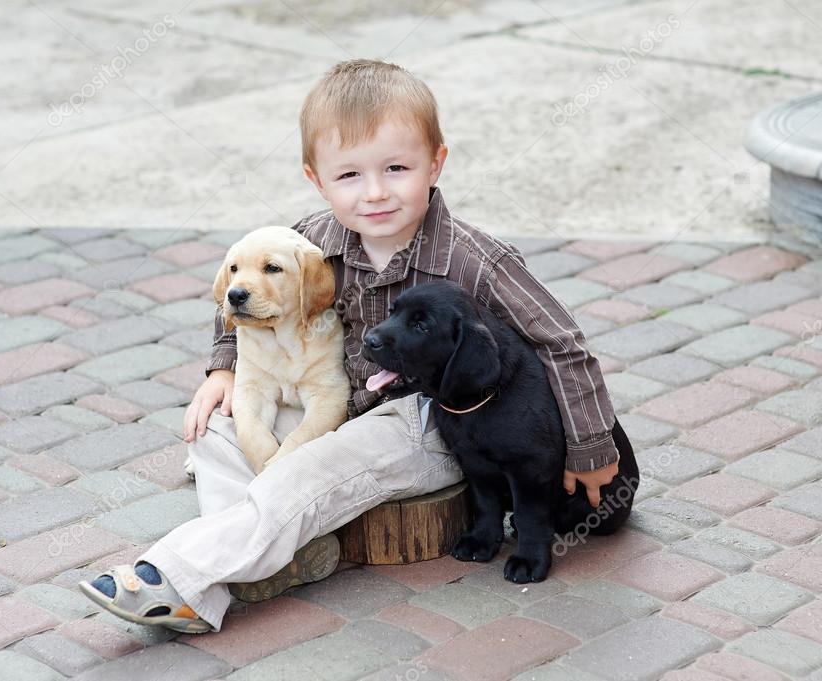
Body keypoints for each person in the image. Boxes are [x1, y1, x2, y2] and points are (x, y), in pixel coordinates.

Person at [79, 58, 621, 634]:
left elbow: (563, 345)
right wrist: (224, 368)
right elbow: (247, 288)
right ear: (316, 178)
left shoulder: (476, 260)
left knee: (321, 466)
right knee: (213, 431)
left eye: (396, 168)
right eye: (349, 176)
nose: (376, 193)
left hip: (427, 419)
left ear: (435, 163)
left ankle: (176, 576)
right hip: (327, 402)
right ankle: (284, 557)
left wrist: (590, 447)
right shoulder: (309, 240)